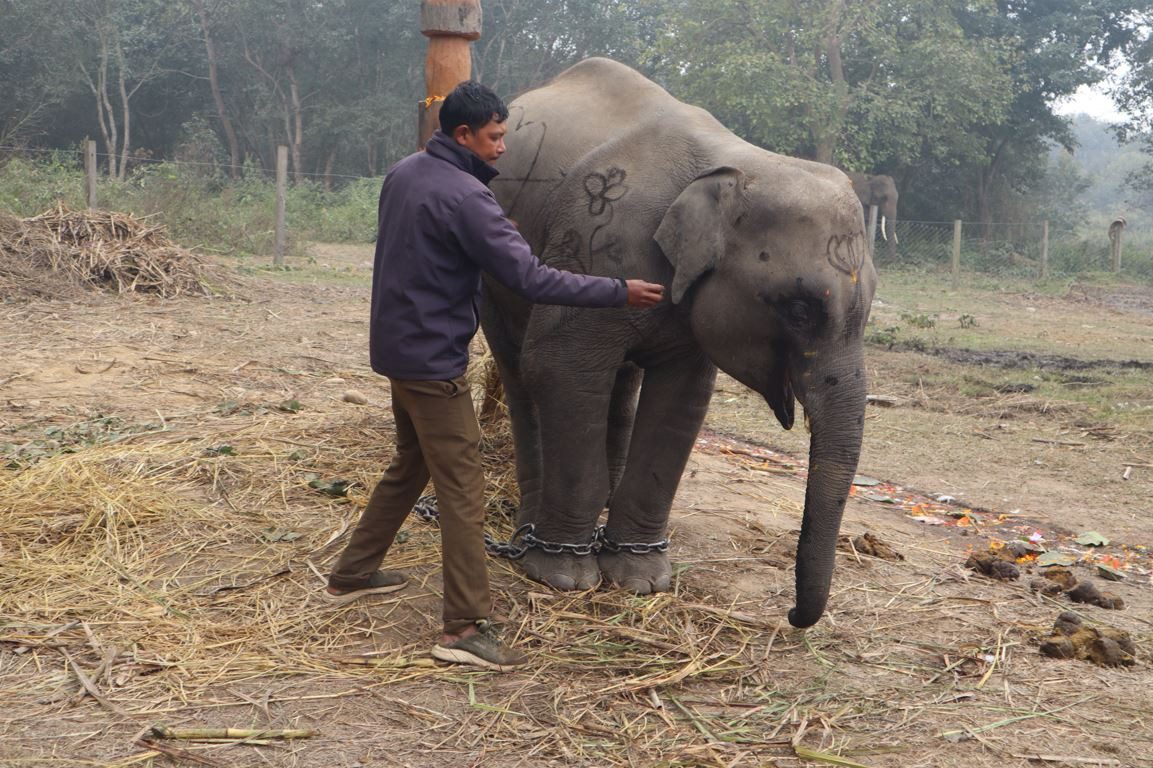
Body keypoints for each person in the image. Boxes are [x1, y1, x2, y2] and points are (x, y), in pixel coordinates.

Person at [322, 80, 665, 672]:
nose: (503, 147)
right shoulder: (468, 198)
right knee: (463, 493)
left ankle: (354, 572)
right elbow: (532, 279)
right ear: (464, 135)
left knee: (411, 466)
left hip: (398, 350)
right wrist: (619, 291)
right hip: (434, 363)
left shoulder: (405, 172)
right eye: (495, 136)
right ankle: (463, 629)